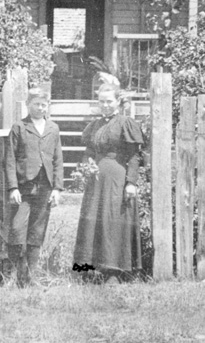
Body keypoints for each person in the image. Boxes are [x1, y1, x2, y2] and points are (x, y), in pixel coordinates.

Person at [73, 73, 144, 283]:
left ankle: (114, 272)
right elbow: (88, 150)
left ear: (118, 102)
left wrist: (131, 183)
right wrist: (88, 164)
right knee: (93, 223)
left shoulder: (126, 123)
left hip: (117, 181)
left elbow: (134, 156)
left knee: (113, 223)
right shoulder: (94, 125)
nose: (105, 105)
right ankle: (89, 271)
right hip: (95, 182)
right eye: (101, 102)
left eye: (109, 101)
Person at [4, 87, 63, 286]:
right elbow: (10, 160)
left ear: (48, 106)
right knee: (17, 229)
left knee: (37, 232)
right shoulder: (19, 127)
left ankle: (31, 277)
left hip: (45, 187)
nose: (39, 108)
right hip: (24, 187)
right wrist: (13, 188)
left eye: (43, 104)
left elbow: (57, 160)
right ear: (28, 105)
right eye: (36, 104)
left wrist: (57, 188)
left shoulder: (53, 128)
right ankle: (14, 276)